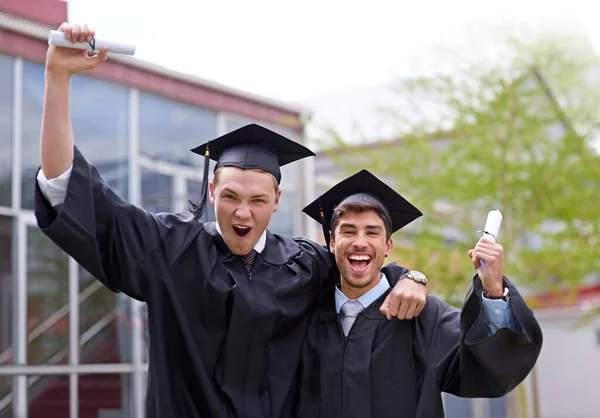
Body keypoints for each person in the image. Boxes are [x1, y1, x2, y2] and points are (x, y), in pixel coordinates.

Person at [34, 23, 429, 418]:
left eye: (257, 200)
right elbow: (65, 187)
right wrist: (56, 77)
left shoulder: (305, 266)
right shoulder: (171, 250)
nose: (243, 212)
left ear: (277, 200)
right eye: (231, 197)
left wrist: (410, 278)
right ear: (211, 193)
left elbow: (361, 267)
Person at [296, 169, 543, 418]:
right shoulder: (305, 316)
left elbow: (491, 371)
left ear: (388, 245)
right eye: (349, 231)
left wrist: (493, 291)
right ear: (331, 242)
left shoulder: (422, 318)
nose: (360, 242)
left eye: (372, 232)